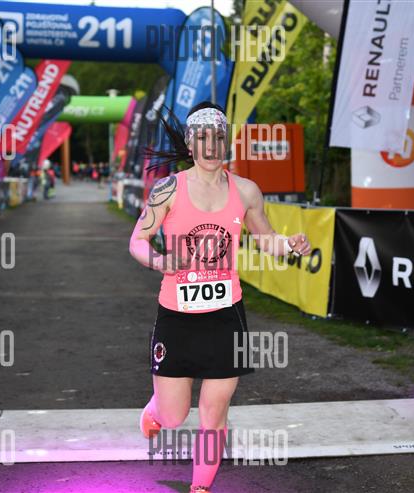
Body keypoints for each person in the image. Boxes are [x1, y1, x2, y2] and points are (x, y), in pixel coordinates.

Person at [128, 102, 311, 493]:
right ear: (190, 144)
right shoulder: (168, 190)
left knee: (214, 412)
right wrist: (160, 261)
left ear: (226, 143)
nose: (211, 147)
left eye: (218, 138)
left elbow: (267, 240)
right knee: (174, 416)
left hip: (226, 316)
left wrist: (290, 245)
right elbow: (137, 241)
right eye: (203, 139)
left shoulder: (246, 191)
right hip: (177, 315)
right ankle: (156, 408)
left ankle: (200, 487)